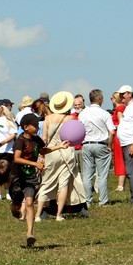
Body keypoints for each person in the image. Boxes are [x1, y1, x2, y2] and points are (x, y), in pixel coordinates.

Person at [10, 112, 69, 247]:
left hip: (30, 178)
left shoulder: (37, 140)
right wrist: (35, 164)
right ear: (25, 127)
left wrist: (59, 146)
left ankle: (30, 234)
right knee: (17, 205)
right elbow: (17, 159)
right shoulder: (20, 141)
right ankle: (14, 206)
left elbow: (43, 150)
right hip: (17, 178)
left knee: (30, 202)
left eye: (38, 125)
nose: (37, 127)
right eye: (35, 125)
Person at [35, 92, 87, 220]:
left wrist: (41, 155)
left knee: (46, 183)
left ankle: (37, 215)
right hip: (67, 151)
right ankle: (59, 214)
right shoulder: (70, 118)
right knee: (63, 184)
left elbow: (44, 139)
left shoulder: (48, 119)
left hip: (51, 152)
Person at [79, 89, 115, 207]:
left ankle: (87, 201)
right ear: (99, 99)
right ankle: (103, 201)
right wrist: (110, 145)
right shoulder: (105, 114)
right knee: (102, 175)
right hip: (101, 144)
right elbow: (112, 132)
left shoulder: (83, 114)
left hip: (87, 144)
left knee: (87, 175)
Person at [109, 91, 126, 192]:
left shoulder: (119, 109)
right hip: (118, 136)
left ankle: (120, 185)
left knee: (119, 160)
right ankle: (121, 184)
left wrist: (112, 126)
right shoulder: (122, 108)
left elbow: (121, 123)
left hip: (117, 136)